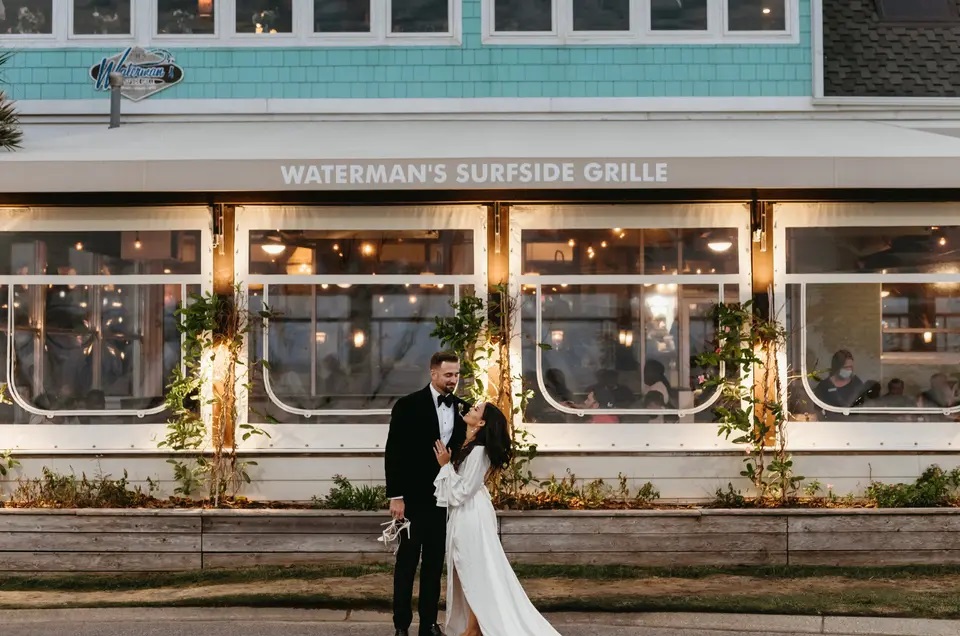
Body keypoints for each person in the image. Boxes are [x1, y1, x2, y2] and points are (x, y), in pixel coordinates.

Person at [433, 402, 563, 636]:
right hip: (466, 512)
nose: (471, 409)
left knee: (473, 568)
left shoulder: (479, 451)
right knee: (468, 568)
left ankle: (474, 629)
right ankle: (473, 626)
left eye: (476, 410)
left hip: (472, 514)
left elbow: (463, 491)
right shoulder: (471, 445)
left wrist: (445, 466)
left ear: (481, 423)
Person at [384, 351, 468, 636]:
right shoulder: (407, 406)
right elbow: (394, 452)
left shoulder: (462, 408)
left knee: (434, 564)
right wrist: (396, 496)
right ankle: (401, 626)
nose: (453, 380)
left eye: (456, 375)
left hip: (444, 500)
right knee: (407, 562)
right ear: (433, 374)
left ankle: (429, 624)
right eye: (448, 375)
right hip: (411, 499)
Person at [813, 349, 865, 419]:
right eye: (846, 367)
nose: (849, 370)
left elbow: (863, 407)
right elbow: (817, 411)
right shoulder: (824, 386)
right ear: (837, 367)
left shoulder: (856, 383)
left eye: (851, 367)